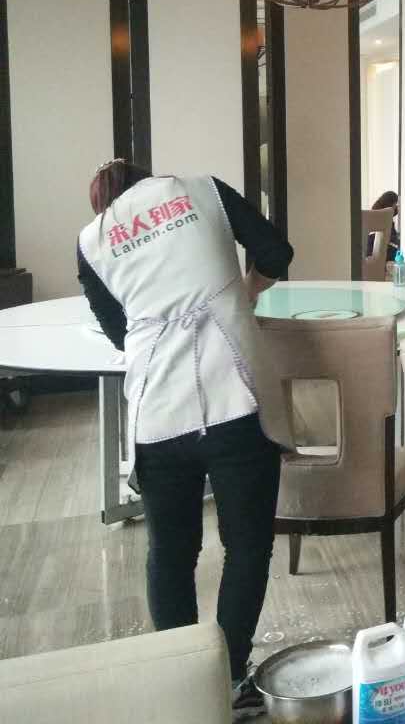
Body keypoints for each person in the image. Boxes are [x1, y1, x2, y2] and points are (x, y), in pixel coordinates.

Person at [76, 159, 295, 720]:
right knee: (247, 547)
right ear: (149, 180)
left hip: (157, 413)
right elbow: (276, 253)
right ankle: (230, 679)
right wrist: (241, 296)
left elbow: (119, 330)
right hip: (236, 399)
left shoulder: (92, 240)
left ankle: (183, 688)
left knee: (170, 553)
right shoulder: (202, 190)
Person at [369, 189, 401, 262]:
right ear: (391, 204)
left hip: (374, 250)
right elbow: (391, 238)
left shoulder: (375, 214)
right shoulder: (384, 217)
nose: (397, 206)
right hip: (379, 251)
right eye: (396, 204)